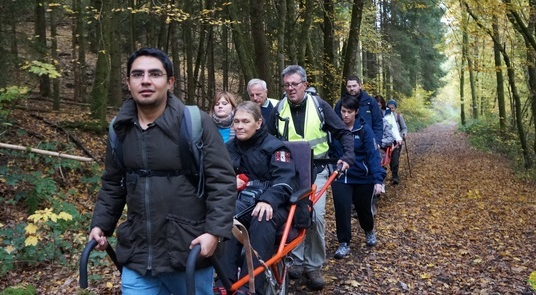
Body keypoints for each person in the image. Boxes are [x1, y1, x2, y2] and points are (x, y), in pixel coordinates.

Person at [88, 47, 236, 295]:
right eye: (137, 75)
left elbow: (222, 182)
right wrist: (101, 224)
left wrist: (214, 233)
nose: (145, 80)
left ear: (170, 82)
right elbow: (113, 184)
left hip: (189, 251)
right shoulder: (119, 129)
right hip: (138, 253)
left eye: (155, 74)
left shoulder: (196, 123)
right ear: (128, 82)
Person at [266, 65, 355, 291]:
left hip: (317, 169)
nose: (290, 88)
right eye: (286, 85)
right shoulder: (279, 109)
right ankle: (295, 260)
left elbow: (343, 132)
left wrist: (347, 155)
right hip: (289, 171)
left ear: (304, 85)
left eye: (295, 84)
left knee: (314, 215)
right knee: (292, 215)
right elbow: (267, 139)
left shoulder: (320, 106)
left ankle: (313, 265)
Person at [219, 101, 296, 294]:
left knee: (261, 217)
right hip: (240, 202)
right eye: (236, 121)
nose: (239, 126)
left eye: (245, 121)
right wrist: (230, 182)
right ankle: (224, 285)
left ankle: (250, 287)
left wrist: (267, 200)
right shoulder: (228, 149)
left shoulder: (276, 148)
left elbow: (285, 181)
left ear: (258, 123)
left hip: (274, 206)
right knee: (225, 217)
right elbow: (215, 178)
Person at [331, 95, 384, 259]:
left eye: (349, 112)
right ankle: (344, 242)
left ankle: (369, 229)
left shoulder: (364, 129)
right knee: (342, 209)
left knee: (364, 210)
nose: (345, 115)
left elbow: (373, 155)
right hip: (341, 177)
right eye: (343, 111)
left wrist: (378, 180)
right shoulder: (335, 129)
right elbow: (331, 151)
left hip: (363, 177)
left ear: (356, 112)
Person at [334, 75, 383, 148]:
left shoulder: (370, 102)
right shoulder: (340, 104)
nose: (352, 89)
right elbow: (336, 124)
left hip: (367, 141)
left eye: (354, 86)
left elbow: (378, 123)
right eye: (349, 86)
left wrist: (377, 141)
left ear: (360, 86)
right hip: (346, 142)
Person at [387, 99, 407, 184]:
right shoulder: (384, 116)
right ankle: (393, 173)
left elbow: (404, 128)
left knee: (395, 159)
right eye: (389, 107)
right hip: (387, 141)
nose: (391, 109)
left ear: (395, 108)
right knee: (388, 159)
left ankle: (395, 176)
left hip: (397, 141)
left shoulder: (399, 116)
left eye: (393, 108)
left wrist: (403, 135)